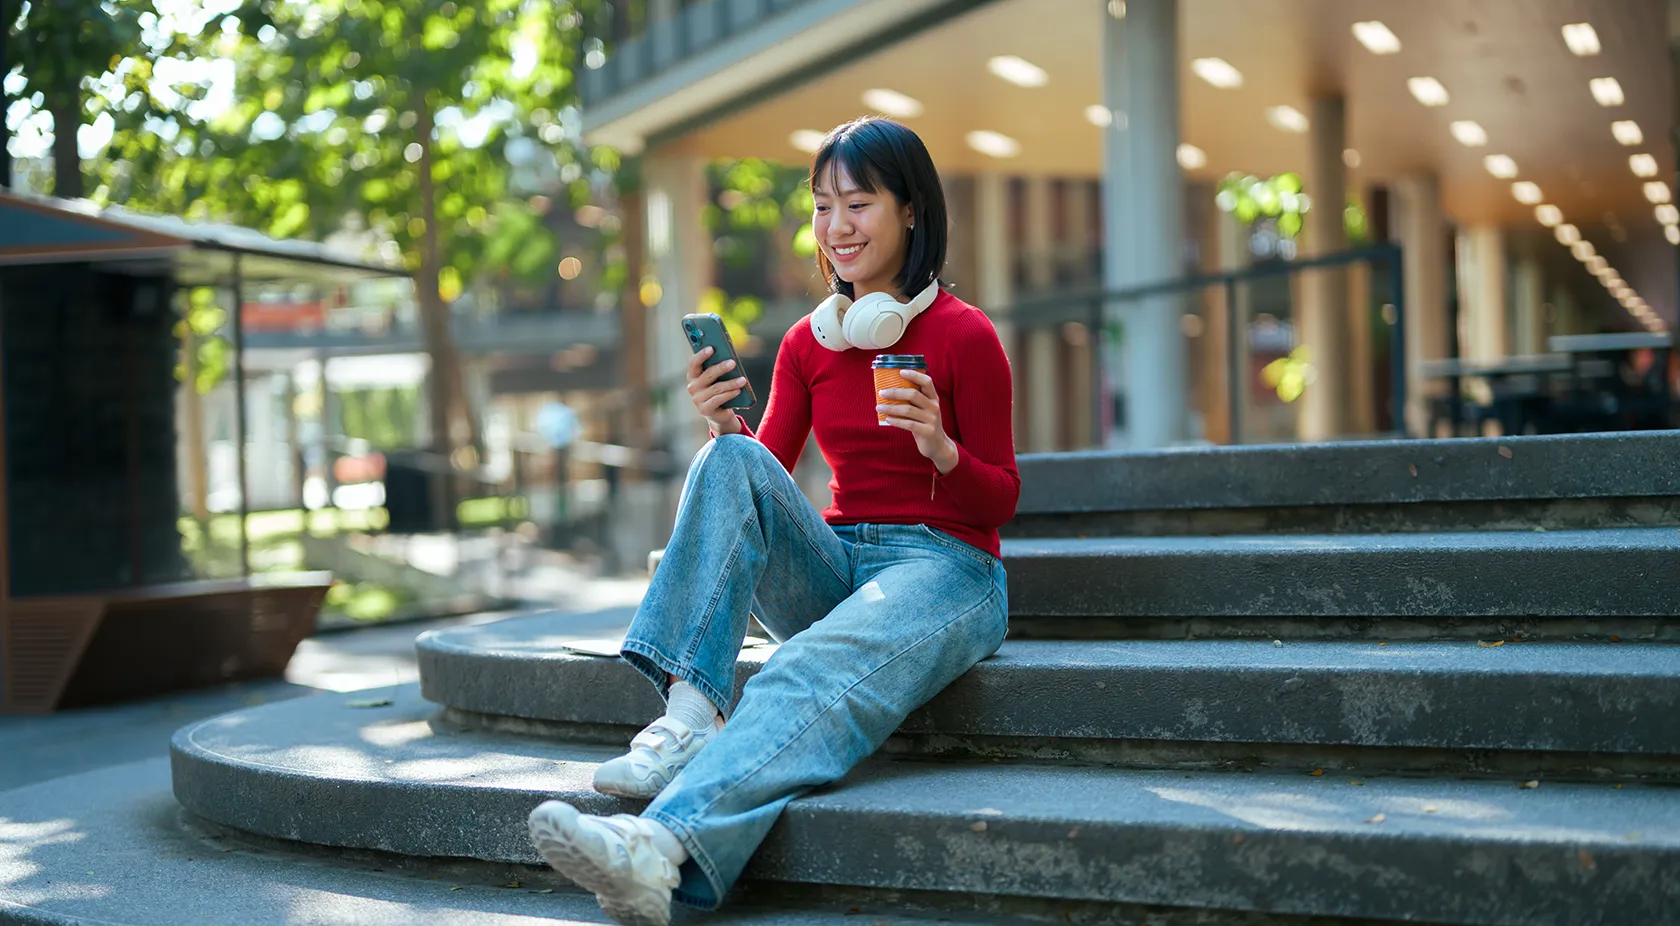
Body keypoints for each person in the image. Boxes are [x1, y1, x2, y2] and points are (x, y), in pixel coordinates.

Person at [527, 116, 1019, 926]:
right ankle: (690, 713)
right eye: (823, 207)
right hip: (836, 563)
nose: (837, 227)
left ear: (912, 212)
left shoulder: (968, 337)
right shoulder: (808, 343)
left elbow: (1000, 500)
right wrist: (723, 423)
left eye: (858, 204)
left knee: (798, 671)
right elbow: (761, 472)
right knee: (726, 457)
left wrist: (940, 447)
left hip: (946, 568)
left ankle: (659, 853)